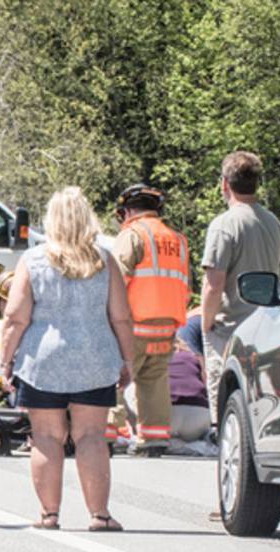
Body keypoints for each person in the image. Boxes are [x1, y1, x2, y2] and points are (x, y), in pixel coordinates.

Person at [0, 187, 135, 531]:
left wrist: (6, 360)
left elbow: (15, 318)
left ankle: (49, 514)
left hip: (43, 362)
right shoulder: (104, 261)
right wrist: (127, 359)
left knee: (46, 437)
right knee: (91, 436)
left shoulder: (33, 261)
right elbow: (121, 317)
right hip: (94, 359)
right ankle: (100, 515)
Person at [107, 183, 191, 457]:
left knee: (113, 376)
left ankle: (106, 435)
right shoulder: (177, 240)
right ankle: (153, 439)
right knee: (154, 381)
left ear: (128, 211)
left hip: (133, 325)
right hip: (167, 326)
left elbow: (116, 280)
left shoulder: (133, 235)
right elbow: (185, 285)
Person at [201, 151, 280, 424]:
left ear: (225, 184)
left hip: (230, 328)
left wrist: (206, 323)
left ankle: (222, 437)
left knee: (225, 399)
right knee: (259, 400)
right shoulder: (273, 223)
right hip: (267, 325)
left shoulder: (224, 225)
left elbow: (214, 285)